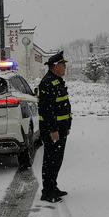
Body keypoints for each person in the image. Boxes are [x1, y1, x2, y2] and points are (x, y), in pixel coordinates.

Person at [38, 51, 72, 203]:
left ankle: (53, 186)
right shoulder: (47, 83)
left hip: (61, 128)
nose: (65, 68)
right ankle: (47, 191)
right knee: (51, 160)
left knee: (57, 160)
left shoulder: (57, 81)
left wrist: (66, 125)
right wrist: (53, 130)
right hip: (53, 130)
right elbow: (47, 109)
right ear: (55, 66)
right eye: (63, 65)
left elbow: (63, 106)